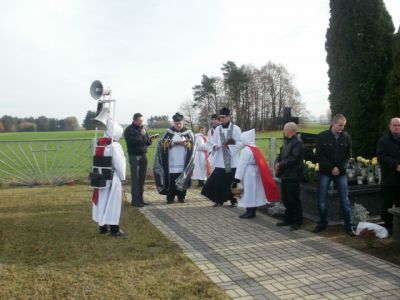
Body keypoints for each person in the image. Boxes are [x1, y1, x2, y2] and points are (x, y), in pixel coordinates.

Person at [312, 114, 355, 236]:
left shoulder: (346, 137)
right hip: (325, 172)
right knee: (321, 199)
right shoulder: (322, 136)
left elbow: (348, 155)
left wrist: (339, 168)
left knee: (345, 200)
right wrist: (332, 167)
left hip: (340, 173)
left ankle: (348, 226)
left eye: (343, 126)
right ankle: (322, 223)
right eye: (340, 125)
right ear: (333, 123)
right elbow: (320, 155)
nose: (342, 128)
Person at [92, 119, 127, 237]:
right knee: (113, 203)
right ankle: (114, 229)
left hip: (99, 177)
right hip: (112, 178)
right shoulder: (114, 145)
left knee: (102, 201)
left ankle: (103, 227)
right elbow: (119, 164)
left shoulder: (98, 143)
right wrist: (122, 176)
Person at [201, 107, 242, 207]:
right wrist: (215, 146)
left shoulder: (236, 129)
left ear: (229, 117)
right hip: (220, 160)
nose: (222, 119)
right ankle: (218, 200)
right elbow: (211, 142)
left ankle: (233, 201)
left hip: (232, 161)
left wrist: (229, 146)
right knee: (218, 182)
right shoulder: (218, 129)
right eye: (221, 117)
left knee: (231, 182)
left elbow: (240, 143)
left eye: (224, 117)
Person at [235, 129, 280, 218]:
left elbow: (242, 164)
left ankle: (249, 211)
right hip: (255, 172)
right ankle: (252, 211)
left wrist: (237, 177)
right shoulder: (255, 147)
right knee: (254, 192)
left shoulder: (246, 150)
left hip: (248, 172)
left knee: (249, 192)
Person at [154, 113, 194, 204]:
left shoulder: (188, 133)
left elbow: (192, 146)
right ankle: (170, 197)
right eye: (176, 124)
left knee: (182, 178)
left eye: (180, 123)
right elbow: (163, 146)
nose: (178, 126)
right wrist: (172, 144)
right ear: (174, 123)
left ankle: (181, 197)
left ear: (183, 123)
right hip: (171, 161)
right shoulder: (169, 132)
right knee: (171, 179)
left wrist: (186, 144)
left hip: (183, 161)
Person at [274, 122, 304, 230]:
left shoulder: (297, 143)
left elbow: (293, 159)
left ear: (290, 131)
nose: (283, 131)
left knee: (293, 199)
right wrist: (277, 162)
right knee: (286, 199)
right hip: (285, 175)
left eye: (285, 130)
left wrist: (280, 164)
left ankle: (297, 222)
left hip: (293, 175)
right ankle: (288, 219)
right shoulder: (287, 141)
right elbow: (280, 155)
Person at [124, 113, 157, 207]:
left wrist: (151, 140)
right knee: (136, 179)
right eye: (140, 121)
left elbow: (145, 142)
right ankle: (135, 201)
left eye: (142, 121)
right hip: (134, 156)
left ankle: (141, 200)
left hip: (143, 156)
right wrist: (142, 135)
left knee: (142, 179)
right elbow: (132, 142)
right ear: (134, 120)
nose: (141, 122)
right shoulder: (129, 130)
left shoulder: (143, 129)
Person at [376, 117, 400, 235]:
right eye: (394, 125)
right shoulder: (383, 140)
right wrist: (395, 165)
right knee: (387, 203)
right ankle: (388, 226)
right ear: (390, 126)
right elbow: (381, 156)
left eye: (399, 125)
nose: (397, 127)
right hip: (389, 178)